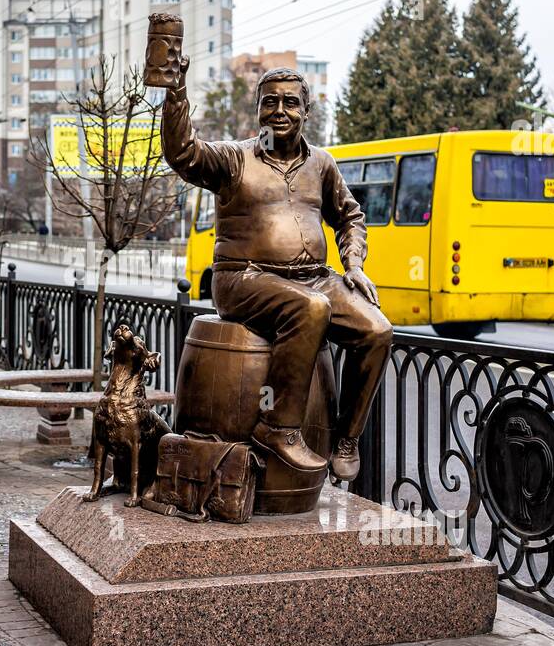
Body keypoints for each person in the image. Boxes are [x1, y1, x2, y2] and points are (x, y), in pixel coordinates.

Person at [161, 57, 392, 480]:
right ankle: (278, 427)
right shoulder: (233, 159)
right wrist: (175, 90)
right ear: (258, 111)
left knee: (377, 330)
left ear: (306, 111)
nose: (280, 111)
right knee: (310, 308)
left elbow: (350, 216)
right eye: (270, 103)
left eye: (290, 103)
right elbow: (182, 153)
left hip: (314, 275)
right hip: (243, 276)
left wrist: (354, 265)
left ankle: (346, 438)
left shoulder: (321, 164)